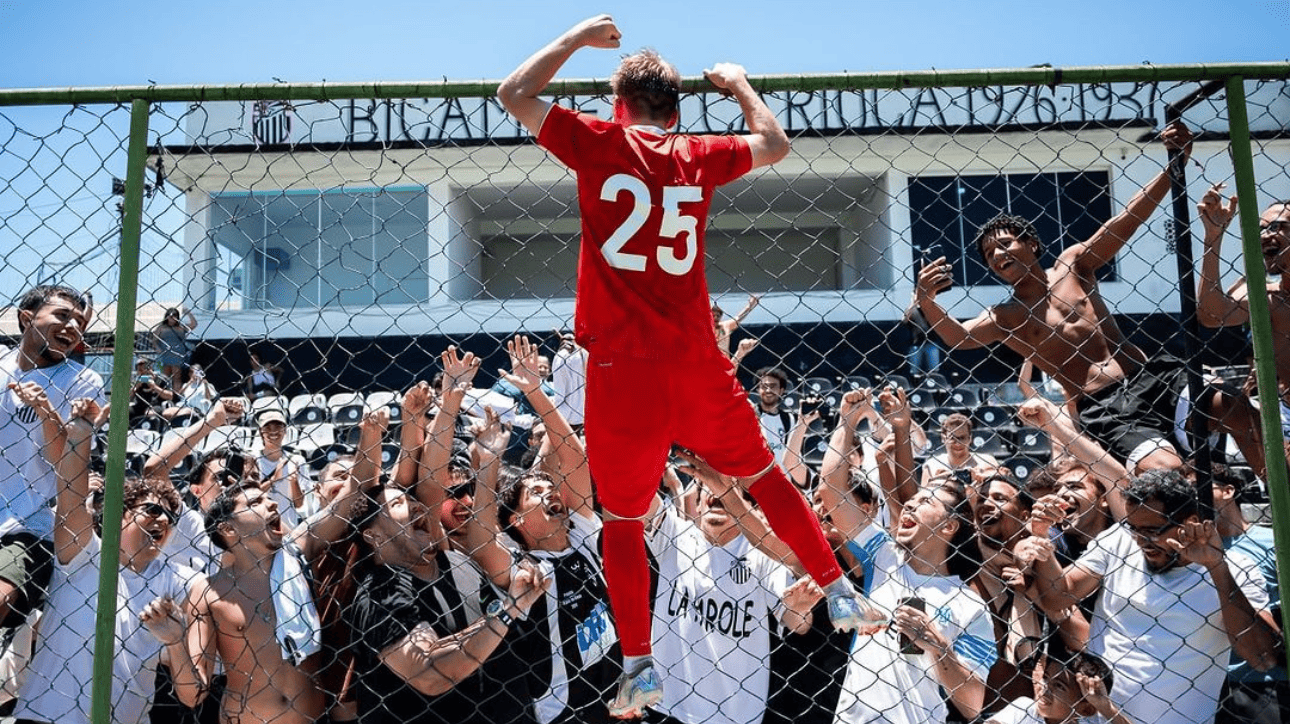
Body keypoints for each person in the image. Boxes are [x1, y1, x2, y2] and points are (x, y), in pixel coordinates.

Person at [497, 18, 876, 713]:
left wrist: (578, 38)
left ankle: (638, 664)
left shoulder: (598, 138)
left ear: (619, 105)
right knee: (763, 476)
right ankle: (839, 588)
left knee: (622, 521)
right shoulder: (695, 152)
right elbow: (774, 143)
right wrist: (739, 85)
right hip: (694, 358)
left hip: (621, 367)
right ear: (674, 112)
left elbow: (513, 93)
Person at [914, 122, 1266, 480]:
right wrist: (926, 300)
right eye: (990, 254)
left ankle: (1279, 490)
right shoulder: (1005, 315)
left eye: (1005, 244)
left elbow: (1127, 219)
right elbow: (959, 336)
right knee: (1165, 472)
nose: (998, 254)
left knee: (1237, 407)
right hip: (1106, 406)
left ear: (1031, 244)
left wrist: (1173, 167)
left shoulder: (1073, 264)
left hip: (1151, 376)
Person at [1028, 469, 1279, 724]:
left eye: (1152, 530)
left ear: (1190, 522)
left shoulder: (1236, 568)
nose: (1141, 541)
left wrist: (1216, 567)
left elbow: (1262, 658)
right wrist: (1041, 536)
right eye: (1135, 528)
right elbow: (1057, 596)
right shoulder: (1119, 540)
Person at [182, 409, 381, 724]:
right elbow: (193, 692)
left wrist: (370, 434)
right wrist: (172, 639)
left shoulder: (298, 549)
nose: (272, 503)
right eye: (255, 503)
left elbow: (354, 492)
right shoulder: (207, 591)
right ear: (228, 528)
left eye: (267, 498)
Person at [12, 395, 198, 724]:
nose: (163, 520)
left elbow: (193, 694)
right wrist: (81, 431)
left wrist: (176, 640)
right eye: (152, 510)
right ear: (121, 514)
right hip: (46, 719)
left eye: (171, 517)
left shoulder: (178, 580)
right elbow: (70, 497)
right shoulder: (85, 554)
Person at [344, 482, 549, 724]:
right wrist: (507, 610)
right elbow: (430, 674)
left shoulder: (457, 562)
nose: (416, 506)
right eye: (398, 503)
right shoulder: (380, 592)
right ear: (373, 535)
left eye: (413, 500)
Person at [0, 285, 104, 634]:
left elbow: (67, 467)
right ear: (26, 318)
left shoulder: (81, 381)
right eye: (62, 315)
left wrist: (46, 410)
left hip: (27, 525)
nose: (73, 327)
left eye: (80, 323)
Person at [1197, 190, 1290, 430]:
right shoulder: (1267, 297)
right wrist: (1213, 237)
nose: (1265, 236)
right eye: (1260, 230)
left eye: (1277, 226)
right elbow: (1212, 315)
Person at [1210, 463, 1288, 724]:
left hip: (1266, 680)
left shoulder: (1274, 542)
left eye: (1201, 488)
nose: (1195, 498)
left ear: (1228, 490)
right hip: (1212, 680)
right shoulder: (1188, 552)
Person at [984, 648, 1134, 724]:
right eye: (1045, 678)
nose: (1045, 688)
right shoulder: (1026, 710)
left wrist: (1106, 708)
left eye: (1059, 686)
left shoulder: (1090, 721)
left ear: (1085, 709)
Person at [255, 407, 311, 530]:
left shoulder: (297, 460)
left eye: (278, 427)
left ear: (285, 430)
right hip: (261, 529)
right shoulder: (253, 461)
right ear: (260, 432)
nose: (273, 432)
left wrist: (294, 481)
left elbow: (299, 504)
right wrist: (273, 480)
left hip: (289, 528)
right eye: (268, 428)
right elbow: (251, 498)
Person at [921, 412, 1000, 487]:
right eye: (952, 438)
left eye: (962, 438)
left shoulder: (987, 462)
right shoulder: (932, 466)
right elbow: (924, 494)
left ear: (970, 438)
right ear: (943, 438)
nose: (958, 443)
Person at [153, 307, 198, 390]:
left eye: (175, 316)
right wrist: (157, 348)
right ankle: (163, 393)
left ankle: (176, 395)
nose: (172, 318)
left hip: (177, 355)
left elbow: (194, 324)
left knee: (176, 377)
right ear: (166, 316)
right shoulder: (161, 328)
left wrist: (188, 313)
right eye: (170, 316)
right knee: (164, 377)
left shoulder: (180, 327)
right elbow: (154, 340)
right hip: (165, 355)